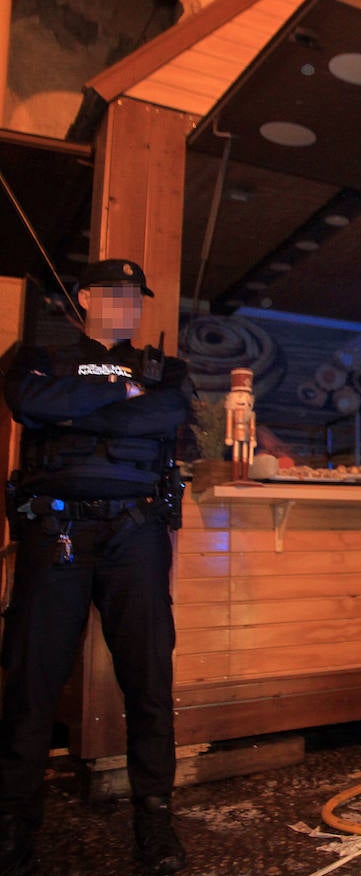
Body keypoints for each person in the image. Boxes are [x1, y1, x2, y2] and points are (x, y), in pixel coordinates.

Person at [0, 259, 191, 874]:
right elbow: (27, 402)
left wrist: (73, 408)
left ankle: (155, 824)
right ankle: (13, 829)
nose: (128, 302)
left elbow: (166, 416)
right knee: (30, 683)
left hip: (135, 533)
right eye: (114, 291)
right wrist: (117, 391)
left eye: (136, 294)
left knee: (149, 682)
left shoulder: (166, 371)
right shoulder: (38, 356)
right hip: (53, 532)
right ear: (84, 296)